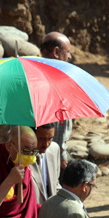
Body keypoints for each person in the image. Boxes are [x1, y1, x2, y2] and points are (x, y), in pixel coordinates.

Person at [40, 32, 73, 169]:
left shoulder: (31, 72)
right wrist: (61, 154)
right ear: (56, 52)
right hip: (49, 150)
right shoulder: (59, 79)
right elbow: (61, 123)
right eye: (68, 52)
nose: (70, 56)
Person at [29, 123, 62, 204]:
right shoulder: (20, 156)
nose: (46, 144)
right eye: (42, 139)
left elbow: (55, 183)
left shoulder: (54, 149)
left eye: (50, 139)